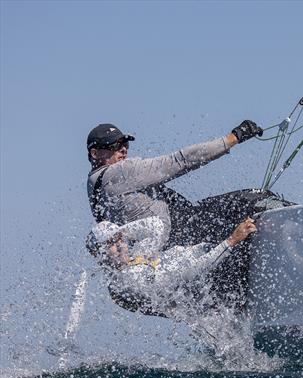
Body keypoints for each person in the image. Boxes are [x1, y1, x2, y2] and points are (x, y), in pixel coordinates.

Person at [86, 120, 263, 247]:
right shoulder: (119, 172)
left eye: (125, 144)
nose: (123, 149)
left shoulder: (94, 187)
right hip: (189, 232)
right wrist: (233, 138)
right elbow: (181, 160)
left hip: (168, 250)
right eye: (115, 145)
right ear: (94, 153)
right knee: (254, 198)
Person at [86, 215, 257, 317]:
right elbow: (192, 272)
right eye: (110, 243)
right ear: (97, 254)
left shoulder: (134, 257)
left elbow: (155, 225)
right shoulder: (130, 279)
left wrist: (119, 231)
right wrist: (232, 241)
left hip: (210, 261)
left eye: (119, 239)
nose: (120, 245)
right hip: (212, 298)